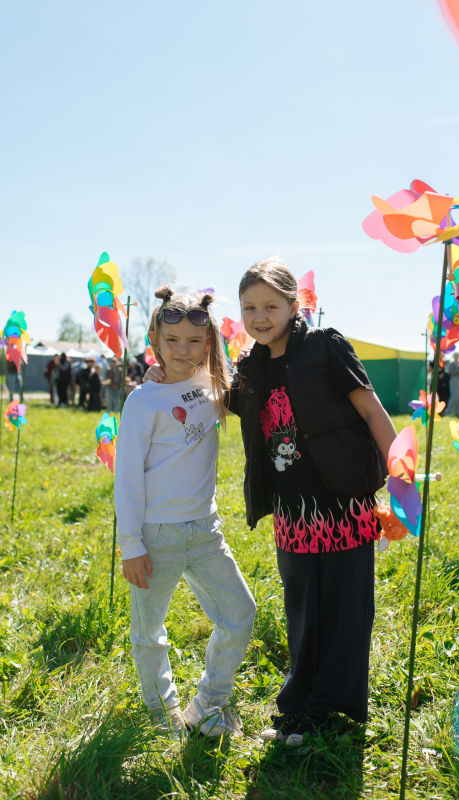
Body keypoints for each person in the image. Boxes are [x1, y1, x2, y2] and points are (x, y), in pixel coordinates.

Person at [144, 259, 396, 746]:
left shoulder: (325, 346)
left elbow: (370, 407)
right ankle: (298, 705)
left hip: (343, 502)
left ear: (293, 305)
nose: (260, 317)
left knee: (345, 607)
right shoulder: (250, 368)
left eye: (270, 306)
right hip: (293, 512)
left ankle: (329, 709)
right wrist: (164, 372)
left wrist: (400, 473)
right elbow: (208, 388)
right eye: (249, 308)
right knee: (302, 610)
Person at [115, 287, 256, 740]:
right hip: (156, 536)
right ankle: (164, 714)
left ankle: (207, 704)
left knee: (240, 614)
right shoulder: (142, 401)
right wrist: (131, 545)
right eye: (172, 340)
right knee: (149, 631)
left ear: (208, 342)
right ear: (154, 340)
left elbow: (241, 382)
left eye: (194, 341)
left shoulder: (213, 385)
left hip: (206, 531)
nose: (182, 349)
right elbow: (127, 477)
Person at [444, 352, 459, 417]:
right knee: (454, 396)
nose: (457, 357)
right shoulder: (452, 363)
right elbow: (450, 371)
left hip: (458, 381)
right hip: (453, 381)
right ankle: (449, 410)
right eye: (456, 355)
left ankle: (458, 411)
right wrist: (458, 370)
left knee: (458, 397)